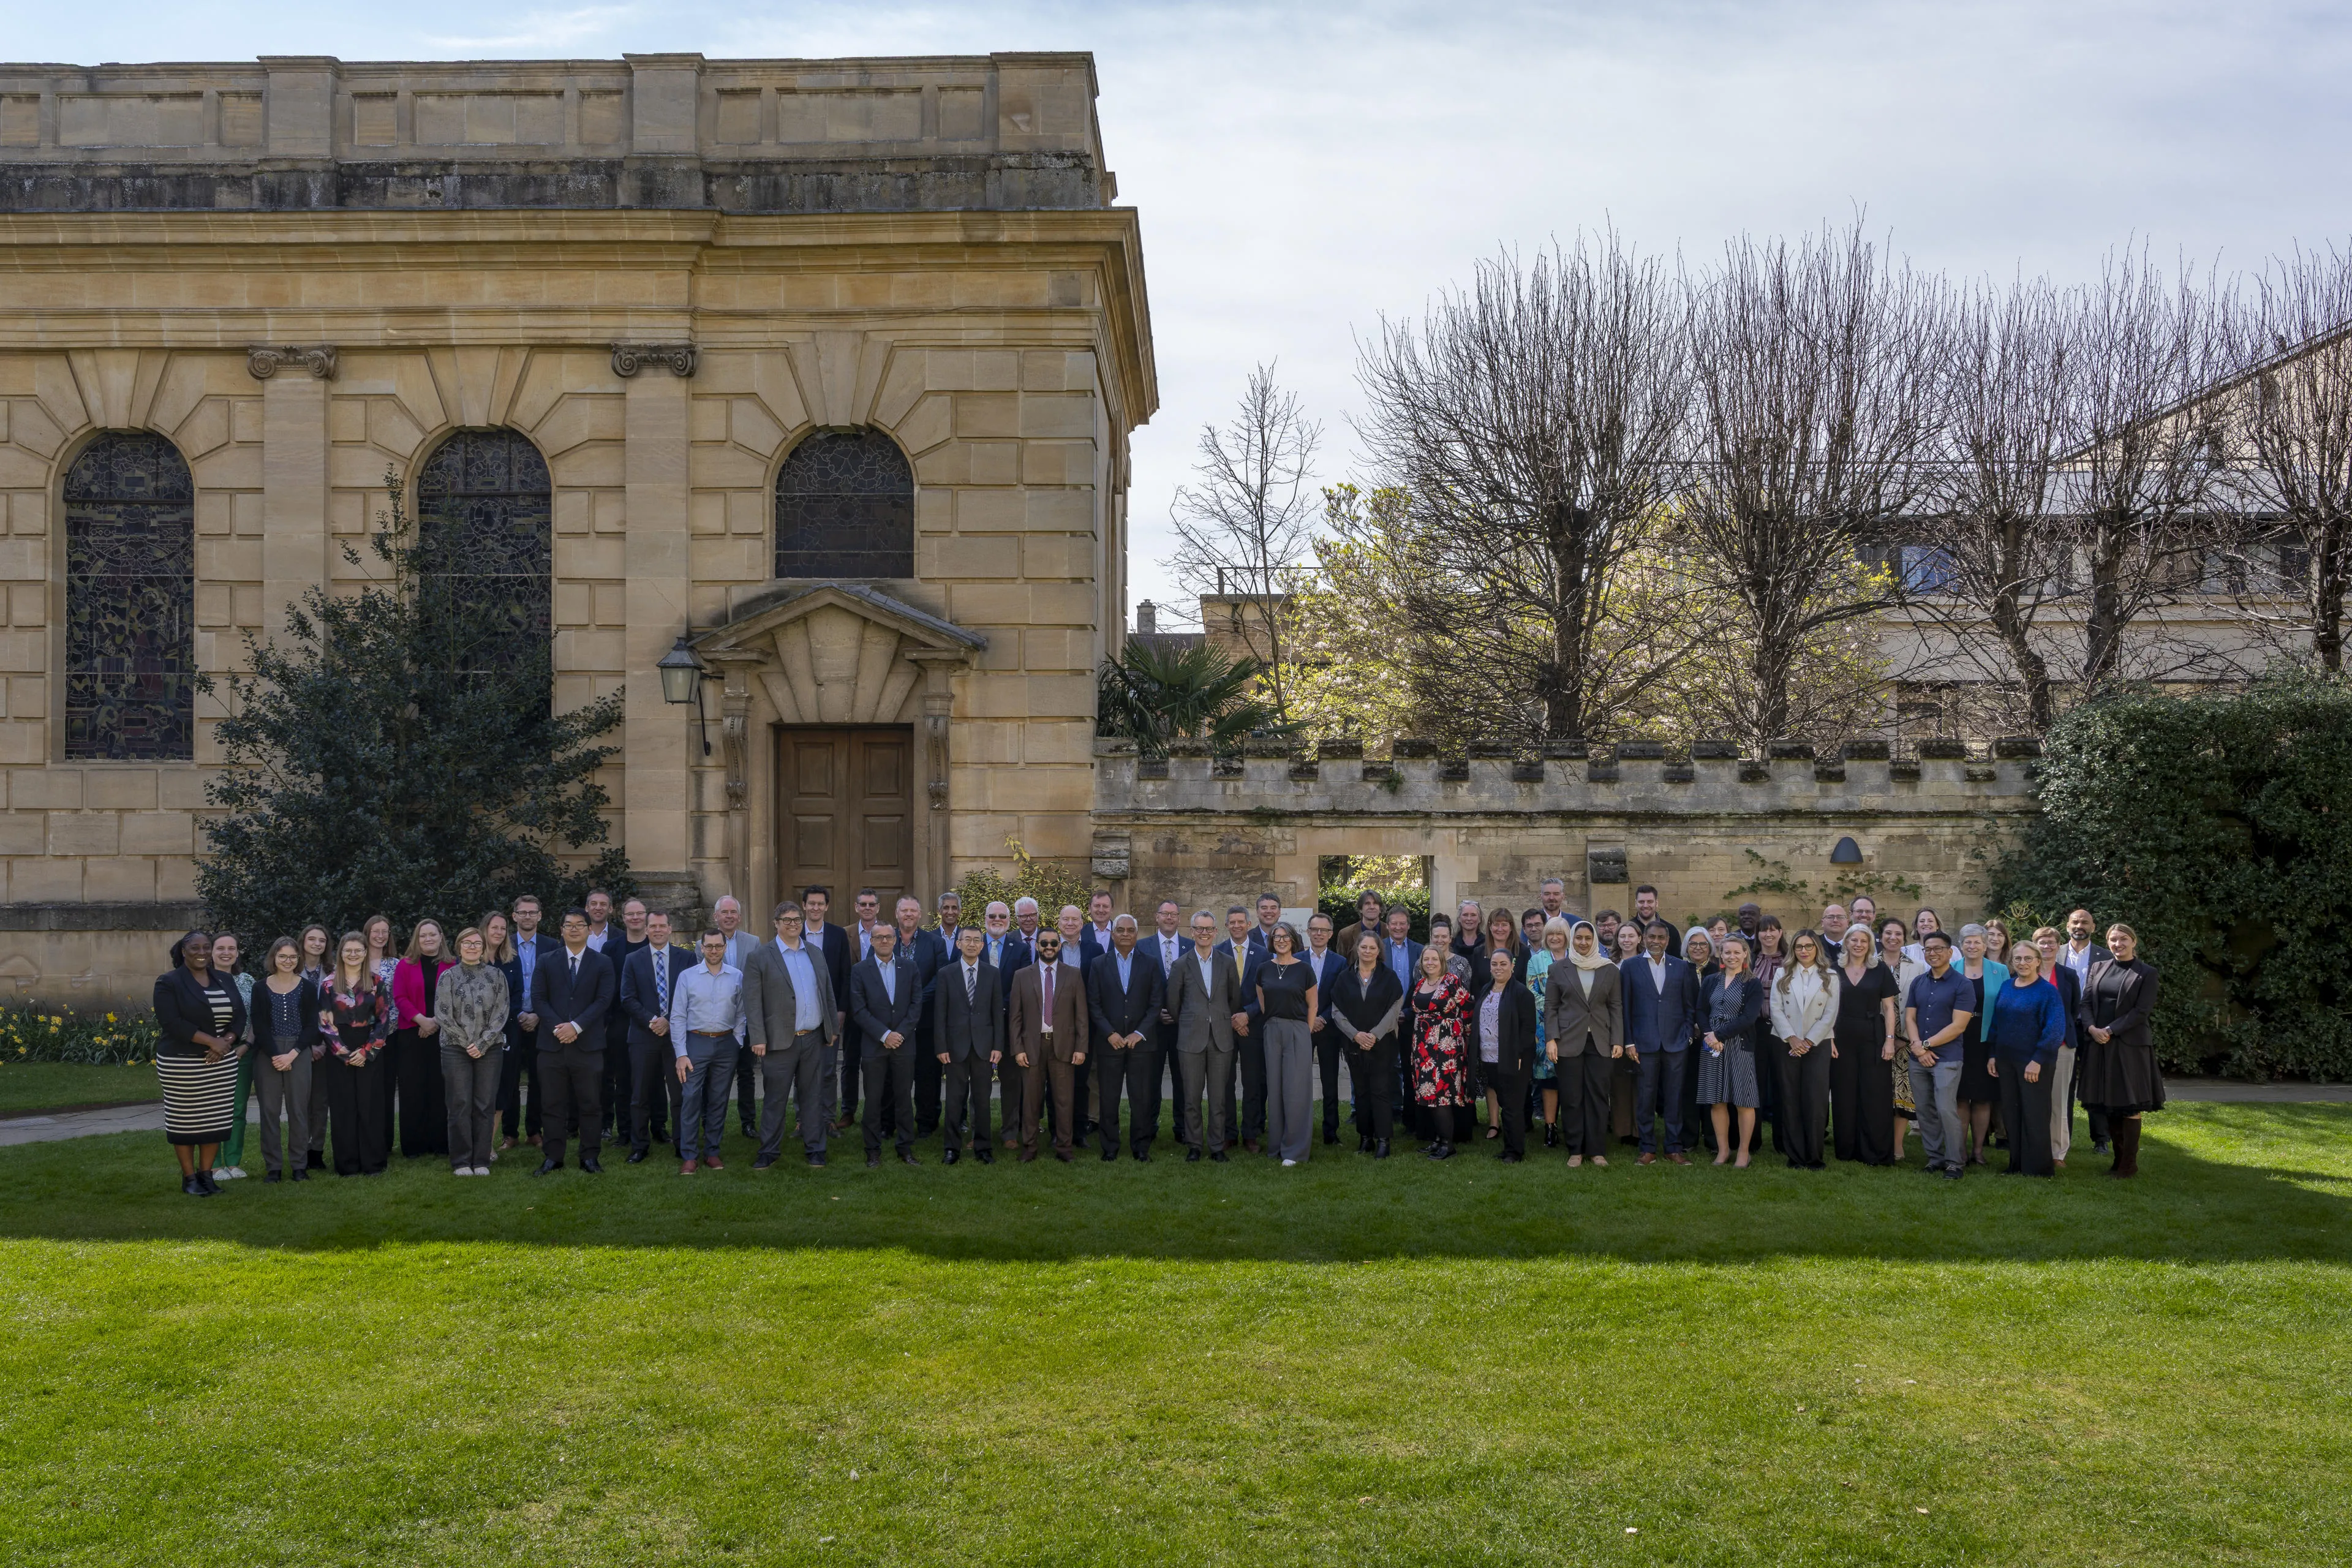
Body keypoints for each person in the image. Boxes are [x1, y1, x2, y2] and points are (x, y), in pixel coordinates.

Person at [744, 899, 840, 1170]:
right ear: (776, 924)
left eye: (797, 920)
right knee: (775, 1098)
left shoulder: (815, 953)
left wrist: (831, 1028)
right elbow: (752, 1002)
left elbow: (827, 993)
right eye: (787, 920)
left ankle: (816, 1149)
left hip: (813, 1038)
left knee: (813, 1096)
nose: (794, 924)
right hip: (778, 1041)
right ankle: (768, 1151)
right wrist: (758, 1038)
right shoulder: (760, 957)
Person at [153, 930, 249, 1196]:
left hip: (222, 1062)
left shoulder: (225, 979)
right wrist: (211, 1042)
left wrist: (225, 1042)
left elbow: (240, 1017)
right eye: (195, 948)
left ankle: (207, 1176)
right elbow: (172, 1022)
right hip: (182, 1063)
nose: (202, 953)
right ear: (183, 951)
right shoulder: (169, 982)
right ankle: (190, 1178)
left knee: (215, 1120)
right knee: (185, 1120)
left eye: (207, 947)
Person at [533, 908, 616, 1176]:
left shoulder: (602, 962)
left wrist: (576, 1027)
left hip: (588, 1045)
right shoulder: (546, 961)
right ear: (561, 930)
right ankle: (553, 1157)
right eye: (568, 925)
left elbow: (603, 1001)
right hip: (552, 1044)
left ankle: (589, 1157)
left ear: (589, 930)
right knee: (552, 1104)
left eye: (580, 925)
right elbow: (539, 999)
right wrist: (560, 1028)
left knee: (590, 1103)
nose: (574, 929)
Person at [2078, 924, 2163, 1178]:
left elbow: (2141, 1011)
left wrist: (2110, 1030)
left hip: (2130, 1046)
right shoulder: (2098, 968)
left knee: (2129, 1104)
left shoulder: (2147, 973)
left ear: (2134, 942)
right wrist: (2092, 1029)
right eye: (2113, 940)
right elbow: (2085, 1002)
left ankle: (2129, 1164)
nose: (2118, 944)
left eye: (2123, 939)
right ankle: (2117, 1161)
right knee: (2109, 1103)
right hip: (2099, 1043)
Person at [1544, 919, 1622, 1167]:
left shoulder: (1609, 969)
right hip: (1568, 1041)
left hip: (1601, 1041)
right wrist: (1551, 1039)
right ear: (1572, 940)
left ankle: (1597, 1150)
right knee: (1572, 1097)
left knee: (1598, 1096)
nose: (1584, 942)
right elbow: (1551, 1007)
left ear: (1594, 940)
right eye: (1579, 938)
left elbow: (1616, 1007)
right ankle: (1575, 1150)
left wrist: (1618, 1039)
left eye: (1588, 938)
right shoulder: (1558, 969)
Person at [1621, 919, 1699, 1165]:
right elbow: (1625, 1006)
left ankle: (1673, 1147)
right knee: (1646, 1097)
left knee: (1675, 1097)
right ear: (1644, 938)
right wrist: (1629, 1041)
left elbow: (1690, 1006)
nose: (1656, 942)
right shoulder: (1630, 967)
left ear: (1668, 940)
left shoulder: (1681, 967)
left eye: (1661, 938)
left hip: (1676, 1043)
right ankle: (1647, 1148)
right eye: (1652, 937)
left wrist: (1687, 1034)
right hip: (1643, 1044)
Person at [1984, 941, 2065, 1177]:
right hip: (2006, 1061)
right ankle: (2016, 1164)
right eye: (2018, 959)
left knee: (2035, 1113)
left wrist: (2038, 1059)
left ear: (2038, 961)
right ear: (2012, 962)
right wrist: (1992, 1054)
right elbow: (1997, 1023)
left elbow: (2055, 1030)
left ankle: (2038, 1168)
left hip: (2034, 1063)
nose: (2023, 963)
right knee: (2012, 1112)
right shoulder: (2007, 987)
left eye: (2028, 958)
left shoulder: (2048, 991)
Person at [667, 930, 745, 1174]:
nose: (713, 951)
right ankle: (689, 1155)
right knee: (691, 1098)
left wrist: (737, 1041)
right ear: (701, 948)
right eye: (709, 946)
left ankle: (712, 1152)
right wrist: (681, 1053)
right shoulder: (687, 977)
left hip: (726, 1044)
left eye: (718, 946)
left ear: (724, 948)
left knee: (719, 1099)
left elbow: (742, 1012)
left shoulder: (736, 976)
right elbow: (678, 1016)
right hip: (695, 1043)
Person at [619, 912, 694, 1164]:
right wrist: (654, 1020)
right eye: (654, 926)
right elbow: (627, 998)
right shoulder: (633, 960)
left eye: (663, 926)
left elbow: (692, 995)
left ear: (670, 929)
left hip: (677, 1038)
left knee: (680, 1094)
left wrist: (670, 1021)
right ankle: (639, 1146)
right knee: (640, 1094)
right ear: (647, 930)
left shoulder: (686, 957)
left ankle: (683, 1144)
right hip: (643, 1037)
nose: (658, 930)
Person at [1087, 914, 1162, 1163]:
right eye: (1121, 930)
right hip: (1110, 1043)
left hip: (1141, 1044)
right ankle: (1110, 1147)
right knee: (1109, 1098)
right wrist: (1110, 1033)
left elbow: (1155, 1004)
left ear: (1137, 934)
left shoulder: (1150, 964)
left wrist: (1139, 1033)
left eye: (1131, 930)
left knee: (1141, 1098)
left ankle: (1141, 1147)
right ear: (1113, 934)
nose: (1126, 934)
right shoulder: (1099, 964)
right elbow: (1094, 1004)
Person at [1012, 927, 1092, 1161]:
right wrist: (1017, 1049)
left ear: (1060, 946)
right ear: (1036, 946)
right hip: (1032, 1046)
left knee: (1064, 1100)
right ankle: (1029, 1147)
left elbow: (1082, 1016)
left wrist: (1081, 1047)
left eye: (1053, 944)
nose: (1049, 947)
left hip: (1064, 1046)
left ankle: (1065, 1148)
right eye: (1044, 943)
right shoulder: (1022, 975)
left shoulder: (1073, 974)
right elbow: (1015, 1017)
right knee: (1031, 1100)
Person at [318, 931, 393, 1177]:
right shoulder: (329, 985)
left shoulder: (377, 982)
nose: (353, 955)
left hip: (369, 1047)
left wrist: (367, 1051)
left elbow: (384, 1020)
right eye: (348, 951)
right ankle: (347, 1164)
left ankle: (373, 1163)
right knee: (343, 1107)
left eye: (358, 951)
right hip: (338, 1050)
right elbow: (325, 1024)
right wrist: (344, 1053)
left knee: (370, 1106)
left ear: (365, 953)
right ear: (340, 953)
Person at [437, 926, 510, 1177]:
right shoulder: (448, 977)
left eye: (477, 944)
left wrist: (483, 1043)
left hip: (489, 1049)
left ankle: (481, 1160)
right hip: (455, 1048)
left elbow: (502, 1014)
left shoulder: (496, 976)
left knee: (484, 1104)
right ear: (459, 947)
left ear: (483, 948)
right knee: (459, 1104)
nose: (472, 947)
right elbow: (443, 1014)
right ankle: (461, 1161)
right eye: (466, 943)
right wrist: (467, 1042)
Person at [850, 922, 924, 1167]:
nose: (884, 941)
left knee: (904, 1098)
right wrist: (884, 1035)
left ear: (895, 940)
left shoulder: (910, 968)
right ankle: (872, 1151)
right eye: (879, 937)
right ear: (871, 941)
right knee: (873, 1101)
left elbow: (916, 1005)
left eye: (888, 937)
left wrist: (899, 1033)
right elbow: (859, 1010)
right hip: (874, 1046)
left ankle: (905, 1149)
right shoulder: (860, 970)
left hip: (904, 1044)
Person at [1904, 931, 1976, 1180]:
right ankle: (1934, 1158)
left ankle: (1955, 1163)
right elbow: (1910, 1017)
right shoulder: (1918, 982)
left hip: (1947, 1058)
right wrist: (1917, 1047)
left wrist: (1925, 1045)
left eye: (1938, 949)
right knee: (1924, 1111)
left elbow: (1959, 1026)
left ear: (1949, 952)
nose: (1932, 953)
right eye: (1928, 949)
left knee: (1946, 1110)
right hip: (1917, 1057)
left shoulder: (1963, 984)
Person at [1829, 927, 1901, 1166]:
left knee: (1874, 1093)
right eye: (1854, 939)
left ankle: (1875, 1151)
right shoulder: (1834, 969)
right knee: (1844, 1093)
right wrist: (1829, 1038)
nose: (1859, 944)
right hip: (1841, 1037)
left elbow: (1889, 1007)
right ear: (1846, 942)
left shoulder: (1879, 969)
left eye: (1864, 940)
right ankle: (1847, 1149)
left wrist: (1890, 1040)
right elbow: (1826, 1006)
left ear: (1870, 944)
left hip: (1874, 1036)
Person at [1327, 932, 1403, 1158]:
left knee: (1380, 1091)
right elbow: (1337, 1011)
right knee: (1361, 1092)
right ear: (1357, 949)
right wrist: (1356, 1036)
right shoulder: (1344, 978)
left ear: (1379, 951)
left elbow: (1395, 1008)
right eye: (1364, 947)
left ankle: (1383, 1140)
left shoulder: (1389, 977)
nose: (1368, 951)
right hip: (1354, 1045)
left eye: (1372, 948)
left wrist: (1375, 1035)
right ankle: (1366, 1138)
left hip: (1382, 1045)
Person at [251, 937, 320, 1183]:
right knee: (269, 1112)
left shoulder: (308, 988)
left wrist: (292, 1054)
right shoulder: (260, 987)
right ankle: (274, 1168)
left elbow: (313, 1026)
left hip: (299, 1051)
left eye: (292, 957)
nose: (288, 961)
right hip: (267, 1053)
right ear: (274, 958)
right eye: (283, 957)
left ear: (298, 959)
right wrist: (275, 1055)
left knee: (299, 1111)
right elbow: (259, 1025)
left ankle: (300, 1166)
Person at [1768, 929, 1838, 1169]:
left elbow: (1830, 1014)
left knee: (1816, 1100)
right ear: (1793, 950)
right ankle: (1795, 1156)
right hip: (1787, 1042)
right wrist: (1793, 1039)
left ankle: (1814, 1156)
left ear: (1817, 948)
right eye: (1799, 947)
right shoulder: (1782, 973)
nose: (1804, 951)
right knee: (1790, 1098)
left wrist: (1808, 1041)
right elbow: (1775, 1009)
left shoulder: (1830, 976)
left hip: (1817, 1044)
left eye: (1809, 946)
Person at [935, 925, 1003, 1165]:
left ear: (982, 946)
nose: (972, 944)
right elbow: (940, 1014)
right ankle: (952, 1148)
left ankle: (983, 1148)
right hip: (954, 1048)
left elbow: (998, 1013)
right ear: (959, 944)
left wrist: (998, 1046)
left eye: (977, 940)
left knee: (983, 1100)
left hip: (985, 1047)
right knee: (954, 1099)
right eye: (967, 940)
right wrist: (941, 1047)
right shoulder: (946, 974)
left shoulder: (993, 974)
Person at [1697, 933, 1765, 1167]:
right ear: (1721, 954)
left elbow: (1748, 1018)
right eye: (1728, 952)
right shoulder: (1711, 981)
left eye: (1737, 952)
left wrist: (1719, 1035)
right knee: (1717, 1101)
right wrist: (1709, 1035)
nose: (1732, 956)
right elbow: (1700, 1011)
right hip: (1712, 1046)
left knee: (1744, 1101)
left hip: (1740, 1045)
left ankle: (1744, 1152)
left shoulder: (1752, 983)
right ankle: (1723, 1151)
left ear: (1745, 954)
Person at [1255, 921, 1319, 1167]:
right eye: (1276, 937)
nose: (1281, 940)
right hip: (1272, 1030)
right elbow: (1262, 1001)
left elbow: (1312, 1005)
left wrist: (1305, 1031)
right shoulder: (1263, 969)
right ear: (1271, 941)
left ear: (1293, 940)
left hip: (1297, 1030)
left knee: (1296, 1091)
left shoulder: (1304, 970)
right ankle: (1277, 1146)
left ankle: (1295, 1150)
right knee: (1276, 1088)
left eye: (1285, 937)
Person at [391, 919, 453, 1160]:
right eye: (423, 936)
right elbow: (400, 997)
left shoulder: (451, 964)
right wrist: (421, 1021)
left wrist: (434, 1021)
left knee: (440, 1089)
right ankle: (413, 1145)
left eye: (432, 935)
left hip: (443, 1033)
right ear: (417, 939)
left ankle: (440, 1142)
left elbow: (453, 999)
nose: (428, 939)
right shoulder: (405, 966)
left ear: (440, 937)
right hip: (411, 1033)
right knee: (412, 1089)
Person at [499, 895, 556, 1153]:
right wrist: (518, 1014)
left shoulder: (553, 945)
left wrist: (538, 1016)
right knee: (508, 1077)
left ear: (540, 916)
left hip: (541, 1021)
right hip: (509, 1020)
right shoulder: (502, 945)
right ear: (514, 916)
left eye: (533, 912)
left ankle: (535, 1130)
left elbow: (558, 986)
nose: (528, 917)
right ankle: (509, 1133)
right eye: (522, 912)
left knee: (540, 1077)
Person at [1471, 946, 1537, 1163]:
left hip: (1513, 1059)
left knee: (1512, 1106)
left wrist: (1519, 1054)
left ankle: (1515, 1152)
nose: (1498, 968)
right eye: (1494, 964)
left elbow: (1528, 1029)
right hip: (1489, 1057)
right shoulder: (1486, 990)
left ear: (1512, 966)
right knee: (1504, 1102)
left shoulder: (1521, 993)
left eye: (1503, 964)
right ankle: (1508, 1147)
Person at [2059, 908, 2116, 1155]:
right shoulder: (2054, 953)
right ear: (2067, 926)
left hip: (2093, 1028)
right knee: (2064, 1085)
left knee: (2096, 1083)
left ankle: (2101, 1138)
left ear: (2093, 927)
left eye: (2084, 922)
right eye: (2074, 922)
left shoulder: (2106, 956)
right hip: (2064, 1028)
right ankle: (2063, 1137)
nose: (2079, 926)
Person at [1407, 944, 1472, 1158]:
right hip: (1423, 1047)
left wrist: (1465, 1036)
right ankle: (1438, 1139)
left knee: (1441, 1094)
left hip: (1446, 1047)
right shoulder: (1420, 984)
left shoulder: (1452, 982)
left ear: (1441, 961)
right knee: (1428, 1093)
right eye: (1426, 959)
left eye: (1434, 959)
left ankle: (1448, 1144)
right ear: (1421, 963)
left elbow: (1468, 1007)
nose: (1430, 962)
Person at [1954, 924, 2010, 1167]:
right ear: (1961, 946)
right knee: (1960, 1097)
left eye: (1977, 942)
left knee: (1983, 1099)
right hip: (1957, 1039)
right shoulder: (1951, 969)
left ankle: (1978, 1151)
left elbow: (2006, 1009)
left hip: (1988, 1039)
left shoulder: (2000, 971)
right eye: (1968, 942)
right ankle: (1960, 1152)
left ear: (1985, 946)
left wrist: (1997, 1050)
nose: (1972, 946)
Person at [204, 932, 258, 1182]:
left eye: (232, 948)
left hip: (242, 1052)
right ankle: (213, 1165)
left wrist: (246, 1045)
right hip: (210, 1053)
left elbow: (256, 1018)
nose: (226, 953)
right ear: (211, 952)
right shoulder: (200, 980)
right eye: (220, 948)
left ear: (237, 952)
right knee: (212, 1109)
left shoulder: (247, 981)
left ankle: (234, 1162)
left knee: (237, 1109)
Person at [2032, 925, 2086, 1167]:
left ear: (2058, 946)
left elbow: (2073, 1010)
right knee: (2034, 1099)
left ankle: (2058, 1153)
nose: (2047, 946)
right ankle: (2034, 1147)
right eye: (2042, 942)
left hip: (2062, 1046)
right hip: (2030, 1047)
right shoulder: (2023, 972)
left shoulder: (2068, 976)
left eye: (2051, 942)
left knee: (2059, 1100)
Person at [1303, 912, 1349, 1147]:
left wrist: (1322, 1017)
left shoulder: (1340, 962)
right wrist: (1310, 1018)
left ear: (1330, 934)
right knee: (1299, 1082)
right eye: (1314, 929)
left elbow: (1339, 997)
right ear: (1308, 932)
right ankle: (1301, 1130)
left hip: (1329, 1030)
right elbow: (1292, 994)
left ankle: (1331, 1133)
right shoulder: (1297, 959)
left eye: (1323, 930)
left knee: (1330, 1083)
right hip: (1302, 1029)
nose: (1319, 934)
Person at [1878, 918, 1923, 1145]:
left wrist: (1903, 1038)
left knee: (1902, 1092)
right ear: (1881, 936)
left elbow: (1921, 1004)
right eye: (1888, 933)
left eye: (1898, 934)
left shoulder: (1917, 966)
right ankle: (1878, 1139)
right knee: (1879, 1090)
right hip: (1876, 1038)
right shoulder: (1870, 963)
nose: (1893, 938)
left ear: (1904, 938)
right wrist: (1886, 1038)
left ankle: (1897, 1145)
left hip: (1906, 1039)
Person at [1525, 918, 1569, 1145]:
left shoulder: (1577, 958)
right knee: (1549, 1079)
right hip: (1545, 1028)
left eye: (1559, 934)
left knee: (1572, 1078)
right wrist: (1562, 1009)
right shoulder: (1536, 961)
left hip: (1575, 1028)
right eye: (1550, 934)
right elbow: (1533, 993)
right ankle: (1550, 1128)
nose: (1554, 938)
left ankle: (1572, 1126)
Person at [296, 922, 335, 1173]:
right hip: (297, 1046)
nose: (317, 944)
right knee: (300, 1104)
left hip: (327, 1046)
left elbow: (335, 1010)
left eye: (322, 940)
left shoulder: (333, 971)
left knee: (320, 1104)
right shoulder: (290, 968)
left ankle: (317, 1152)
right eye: (312, 939)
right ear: (303, 942)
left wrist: (322, 1044)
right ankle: (299, 1152)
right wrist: (308, 1045)